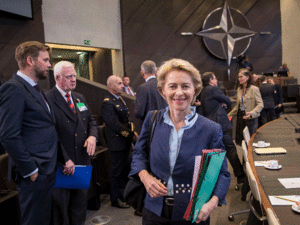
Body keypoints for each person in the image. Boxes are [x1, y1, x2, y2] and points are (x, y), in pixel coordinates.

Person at [130, 59, 231, 224]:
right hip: (154, 211)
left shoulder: (211, 129)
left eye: (185, 86)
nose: (179, 93)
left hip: (193, 212)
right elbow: (139, 154)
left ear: (195, 90)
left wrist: (212, 204)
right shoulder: (152, 119)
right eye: (172, 86)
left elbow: (221, 173)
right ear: (163, 91)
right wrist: (145, 176)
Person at [0, 41, 57, 225]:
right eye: (46, 60)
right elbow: (9, 135)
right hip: (34, 172)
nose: (49, 64)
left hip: (47, 167)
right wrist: (31, 170)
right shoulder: (14, 88)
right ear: (30, 60)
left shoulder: (35, 87)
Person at [45, 61, 98, 225]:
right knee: (62, 211)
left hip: (81, 161)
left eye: (74, 76)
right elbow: (49, 135)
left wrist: (93, 136)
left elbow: (91, 122)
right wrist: (65, 158)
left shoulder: (79, 97)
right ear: (57, 78)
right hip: (62, 164)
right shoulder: (47, 99)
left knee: (80, 206)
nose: (73, 80)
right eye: (69, 77)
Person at [101, 75, 138, 208]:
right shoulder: (108, 102)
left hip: (124, 141)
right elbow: (114, 124)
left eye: (122, 83)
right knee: (116, 172)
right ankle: (114, 199)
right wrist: (131, 135)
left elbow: (126, 120)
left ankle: (122, 194)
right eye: (119, 83)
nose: (122, 85)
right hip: (117, 142)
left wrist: (132, 133)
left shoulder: (119, 99)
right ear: (110, 86)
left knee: (123, 170)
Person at [200, 72, 245, 184]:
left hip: (208, 125)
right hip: (219, 126)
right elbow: (228, 100)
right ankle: (240, 176)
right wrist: (222, 103)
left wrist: (219, 104)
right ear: (211, 80)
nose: (216, 81)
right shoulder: (213, 89)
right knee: (230, 149)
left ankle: (211, 182)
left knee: (215, 152)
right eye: (215, 78)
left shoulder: (201, 91)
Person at [228, 69, 263, 145]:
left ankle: (249, 156)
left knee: (249, 142)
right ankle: (244, 157)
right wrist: (229, 116)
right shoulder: (239, 89)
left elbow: (260, 105)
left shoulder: (254, 89)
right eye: (238, 77)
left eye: (241, 77)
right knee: (241, 142)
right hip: (240, 118)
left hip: (250, 119)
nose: (239, 79)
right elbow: (238, 107)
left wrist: (251, 113)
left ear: (247, 77)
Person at [134, 60, 167, 129]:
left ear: (142, 73)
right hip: (165, 125)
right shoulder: (164, 85)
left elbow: (139, 113)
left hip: (149, 128)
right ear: (156, 71)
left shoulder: (142, 88)